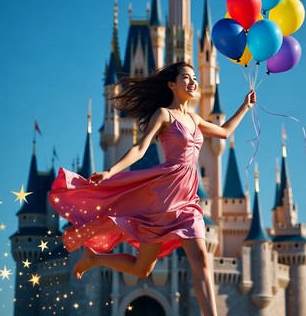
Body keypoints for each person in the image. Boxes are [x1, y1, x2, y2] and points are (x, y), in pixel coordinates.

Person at [49, 61, 256, 316]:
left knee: (202, 259)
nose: (193, 82)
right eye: (186, 78)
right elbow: (139, 149)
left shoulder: (195, 119)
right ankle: (94, 258)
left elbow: (224, 132)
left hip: (189, 199)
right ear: (172, 84)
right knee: (142, 269)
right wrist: (111, 171)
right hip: (165, 196)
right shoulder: (164, 115)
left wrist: (245, 106)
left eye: (194, 78)